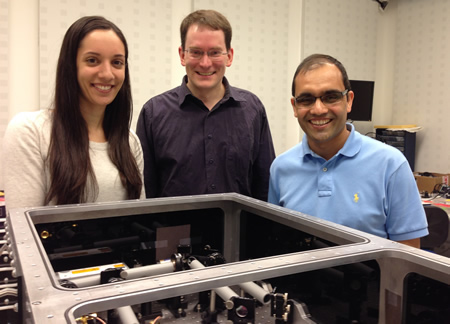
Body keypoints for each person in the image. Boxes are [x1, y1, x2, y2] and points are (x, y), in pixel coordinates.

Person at [268, 54, 428, 248]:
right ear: (295, 106)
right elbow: (277, 244)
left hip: (367, 278)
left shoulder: (391, 165)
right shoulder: (281, 169)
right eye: (306, 99)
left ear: (349, 100)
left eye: (331, 97)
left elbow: (407, 257)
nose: (318, 109)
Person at [3, 16, 144, 210]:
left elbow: (138, 220)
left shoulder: (130, 142)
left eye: (117, 62)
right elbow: (22, 233)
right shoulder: (30, 132)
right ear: (71, 66)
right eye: (92, 60)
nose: (107, 74)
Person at [136, 10, 275, 200]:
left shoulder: (253, 110)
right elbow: (145, 191)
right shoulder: (153, 113)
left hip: (238, 229)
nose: (205, 63)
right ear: (182, 55)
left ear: (230, 56)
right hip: (175, 230)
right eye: (196, 52)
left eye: (215, 52)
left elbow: (265, 186)